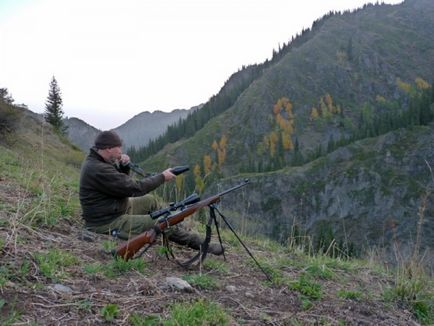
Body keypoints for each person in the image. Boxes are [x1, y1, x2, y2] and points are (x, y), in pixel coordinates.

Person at [79, 130, 223, 255]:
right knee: (162, 222)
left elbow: (119, 185)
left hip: (114, 208)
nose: (120, 152)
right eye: (118, 149)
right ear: (108, 148)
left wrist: (124, 167)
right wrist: (162, 177)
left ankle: (174, 229)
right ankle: (200, 244)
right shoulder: (98, 168)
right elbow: (135, 189)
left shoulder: (98, 161)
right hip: (107, 221)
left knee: (150, 200)